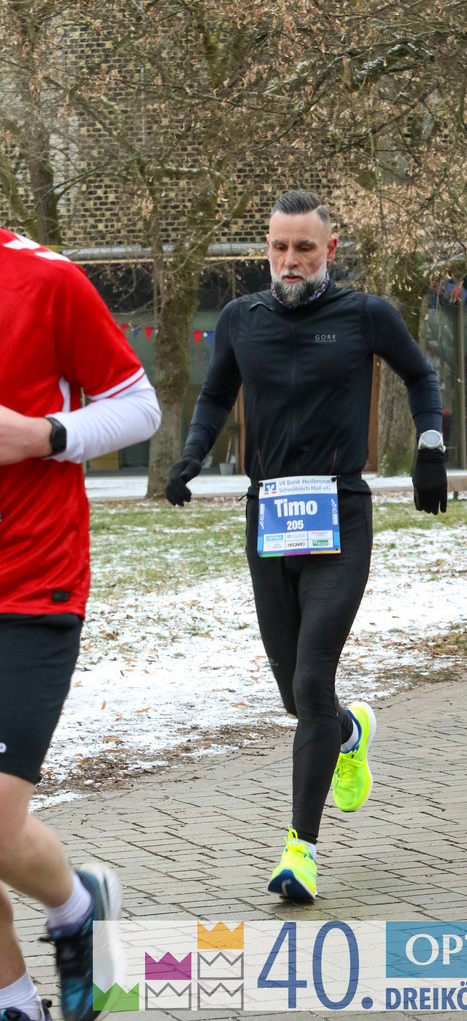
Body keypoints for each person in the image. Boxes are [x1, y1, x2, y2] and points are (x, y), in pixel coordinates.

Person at [166, 189, 447, 902]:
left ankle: (301, 851)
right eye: (279, 247)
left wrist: (429, 445)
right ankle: (349, 733)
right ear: (266, 249)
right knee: (296, 694)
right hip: (270, 517)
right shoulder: (241, 319)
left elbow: (420, 374)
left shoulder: (364, 314)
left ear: (329, 249)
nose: (290, 261)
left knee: (313, 680)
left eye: (304, 248)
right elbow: (214, 396)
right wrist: (191, 454)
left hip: (339, 514)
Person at [0, 230, 161, 1021]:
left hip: (31, 585)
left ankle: (75, 909)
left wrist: (45, 435)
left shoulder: (46, 281)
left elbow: (140, 408)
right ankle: (15, 1000)